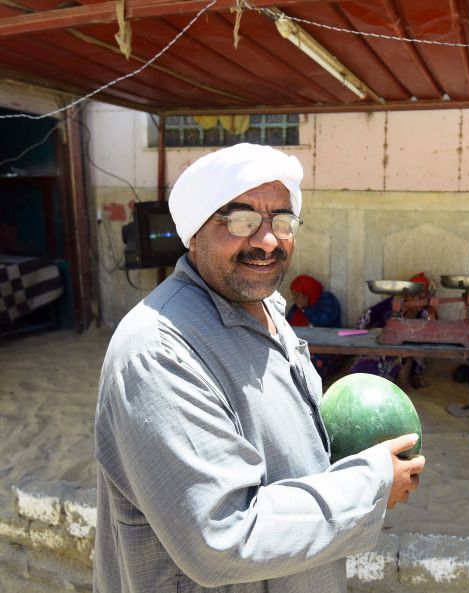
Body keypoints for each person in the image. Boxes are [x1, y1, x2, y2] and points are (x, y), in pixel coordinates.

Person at [93, 143, 425, 593]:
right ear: (194, 232)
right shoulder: (158, 351)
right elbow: (221, 538)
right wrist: (371, 485)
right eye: (241, 219)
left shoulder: (269, 310)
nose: (267, 240)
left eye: (282, 221)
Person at [348, 272, 434, 389]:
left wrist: (413, 321)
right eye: (413, 294)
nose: (417, 298)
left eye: (422, 293)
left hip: (407, 354)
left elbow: (429, 336)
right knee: (364, 370)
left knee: (405, 361)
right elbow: (369, 314)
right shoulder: (394, 303)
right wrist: (357, 333)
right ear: (405, 293)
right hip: (381, 346)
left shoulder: (426, 312)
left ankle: (403, 382)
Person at [286, 273, 345, 381]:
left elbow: (324, 321)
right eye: (293, 296)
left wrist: (305, 309)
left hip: (328, 350)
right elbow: (286, 326)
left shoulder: (327, 299)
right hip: (304, 349)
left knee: (310, 364)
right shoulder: (297, 308)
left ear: (306, 293)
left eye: (297, 296)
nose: (294, 300)